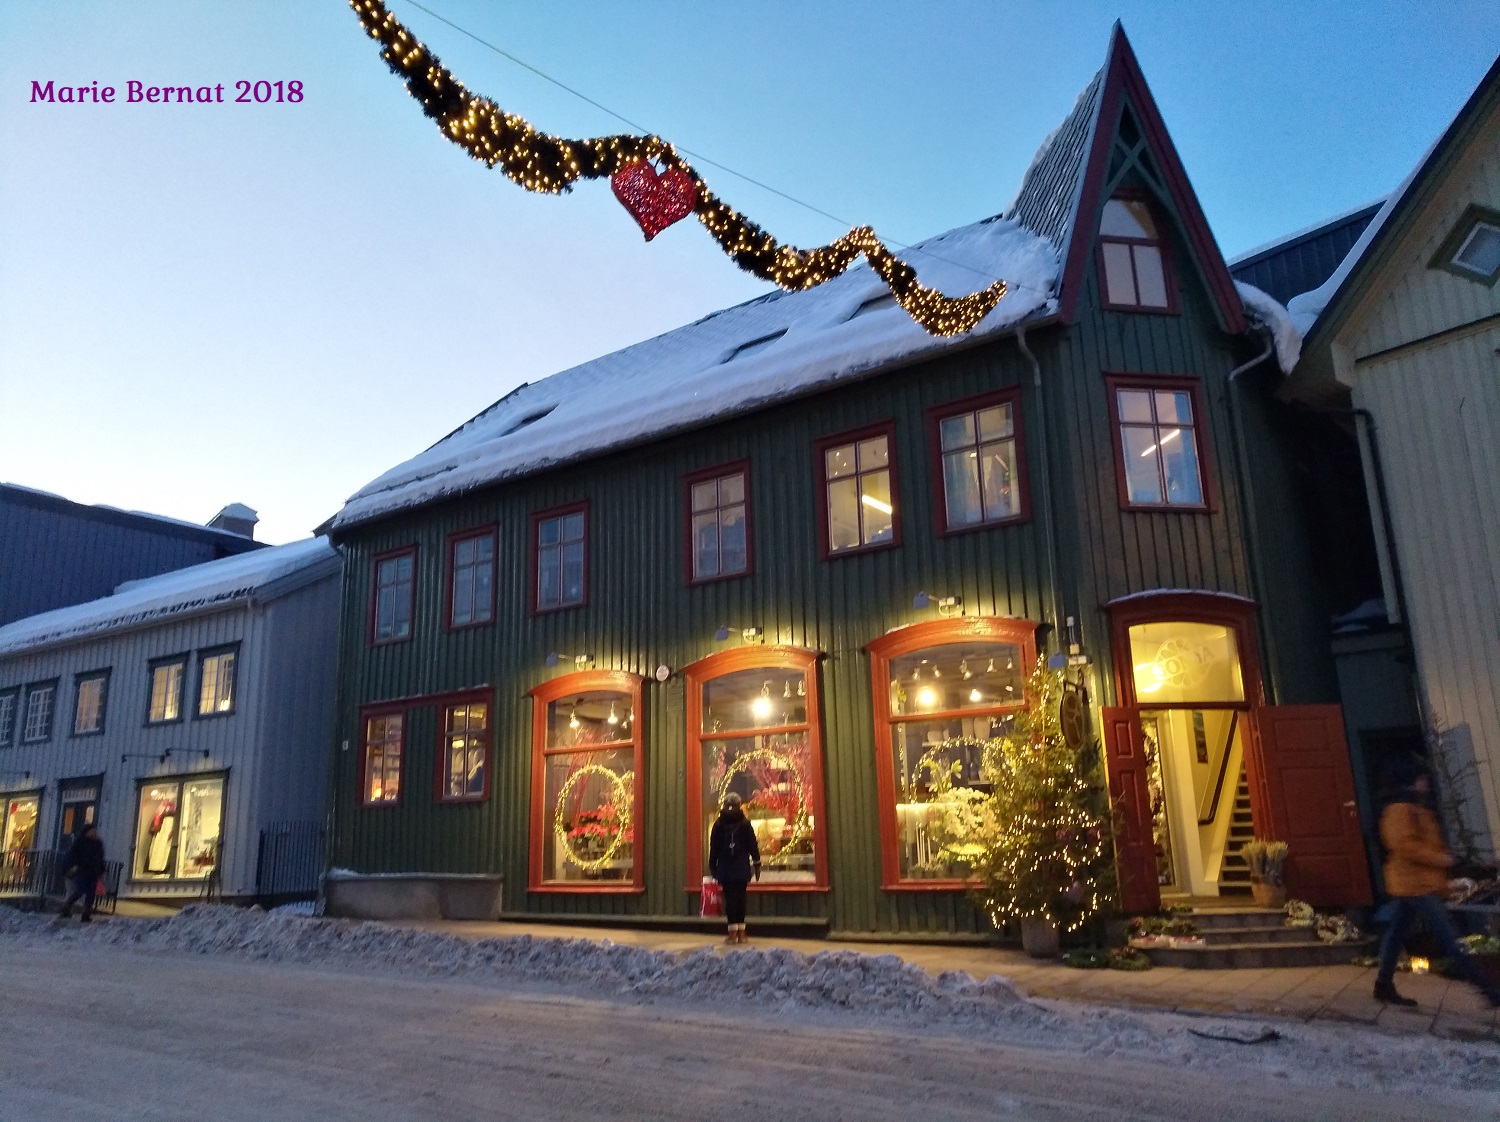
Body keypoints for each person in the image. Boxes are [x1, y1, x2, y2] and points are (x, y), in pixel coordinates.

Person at [1373, 772, 1500, 1007]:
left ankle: (1383, 984)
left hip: (1416, 883)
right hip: (1414, 885)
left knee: (1395, 935)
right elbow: (1405, 846)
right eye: (1421, 780)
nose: (1426, 784)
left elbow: (1424, 844)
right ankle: (1488, 990)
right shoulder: (1400, 810)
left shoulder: (1417, 808)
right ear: (1410, 782)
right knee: (1450, 937)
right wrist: (1443, 860)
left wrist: (1449, 860)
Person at [708, 792, 760, 945]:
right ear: (739, 805)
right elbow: (753, 845)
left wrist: (713, 866)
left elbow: (714, 847)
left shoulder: (719, 824)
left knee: (730, 899)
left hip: (725, 867)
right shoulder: (745, 823)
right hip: (741, 866)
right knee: (741, 898)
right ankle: (742, 933)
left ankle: (732, 933)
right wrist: (757, 864)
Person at [58, 824, 106, 923]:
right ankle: (66, 906)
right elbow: (73, 855)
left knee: (91, 893)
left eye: (94, 831)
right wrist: (73, 866)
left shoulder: (98, 844)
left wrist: (101, 870)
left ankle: (86, 914)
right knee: (80, 890)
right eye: (92, 831)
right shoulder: (80, 843)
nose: (94, 833)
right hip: (82, 870)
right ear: (86, 832)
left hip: (94, 871)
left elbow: (100, 858)